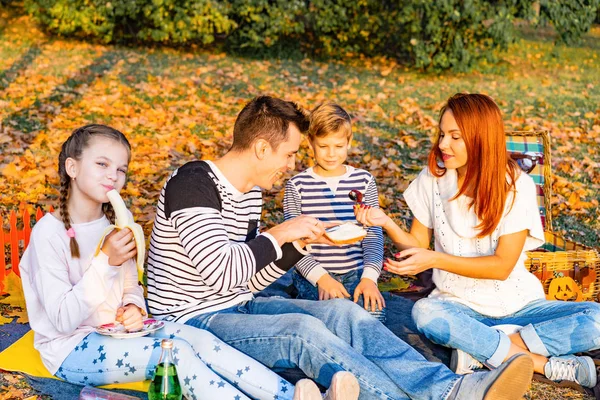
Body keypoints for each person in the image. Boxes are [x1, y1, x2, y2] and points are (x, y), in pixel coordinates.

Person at [147, 95, 535, 400]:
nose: (290, 164)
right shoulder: (193, 184)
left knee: (343, 314)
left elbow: (248, 276)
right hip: (192, 319)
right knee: (300, 329)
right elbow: (222, 271)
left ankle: (450, 389)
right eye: (289, 154)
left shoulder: (247, 192)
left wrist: (298, 245)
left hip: (237, 303)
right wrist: (281, 233)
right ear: (262, 149)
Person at [19, 124, 345, 400]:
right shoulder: (50, 234)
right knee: (177, 355)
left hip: (119, 335)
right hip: (71, 351)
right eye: (102, 165)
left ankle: (294, 396)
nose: (113, 176)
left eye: (121, 169)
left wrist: (133, 308)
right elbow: (62, 320)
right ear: (72, 168)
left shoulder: (115, 225)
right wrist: (105, 261)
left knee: (202, 340)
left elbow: (131, 288)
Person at [354, 93, 600, 389]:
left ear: (480, 139)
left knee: (596, 318)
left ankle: (482, 350)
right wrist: (387, 222)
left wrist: (435, 259)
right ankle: (542, 364)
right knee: (425, 313)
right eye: (443, 134)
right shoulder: (433, 178)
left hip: (521, 308)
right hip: (457, 307)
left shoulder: (515, 185)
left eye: (455, 137)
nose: (443, 144)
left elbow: (501, 267)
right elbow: (417, 245)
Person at [283, 102, 385, 321]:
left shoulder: (364, 181)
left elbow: (374, 235)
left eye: (338, 146)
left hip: (357, 273)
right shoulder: (297, 185)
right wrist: (322, 278)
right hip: (315, 275)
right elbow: (292, 242)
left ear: (349, 142)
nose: (331, 154)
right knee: (328, 322)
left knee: (373, 321)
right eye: (323, 146)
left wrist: (369, 278)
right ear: (310, 142)